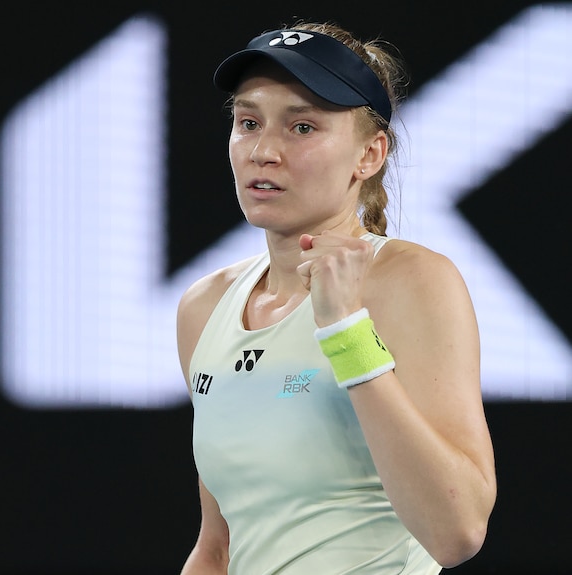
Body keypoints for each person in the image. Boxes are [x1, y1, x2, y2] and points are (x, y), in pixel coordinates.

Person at [176, 20, 497, 574]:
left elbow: (457, 531)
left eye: (302, 127)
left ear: (369, 155)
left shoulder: (413, 280)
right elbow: (218, 549)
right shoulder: (203, 308)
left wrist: (346, 331)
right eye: (248, 122)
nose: (263, 151)